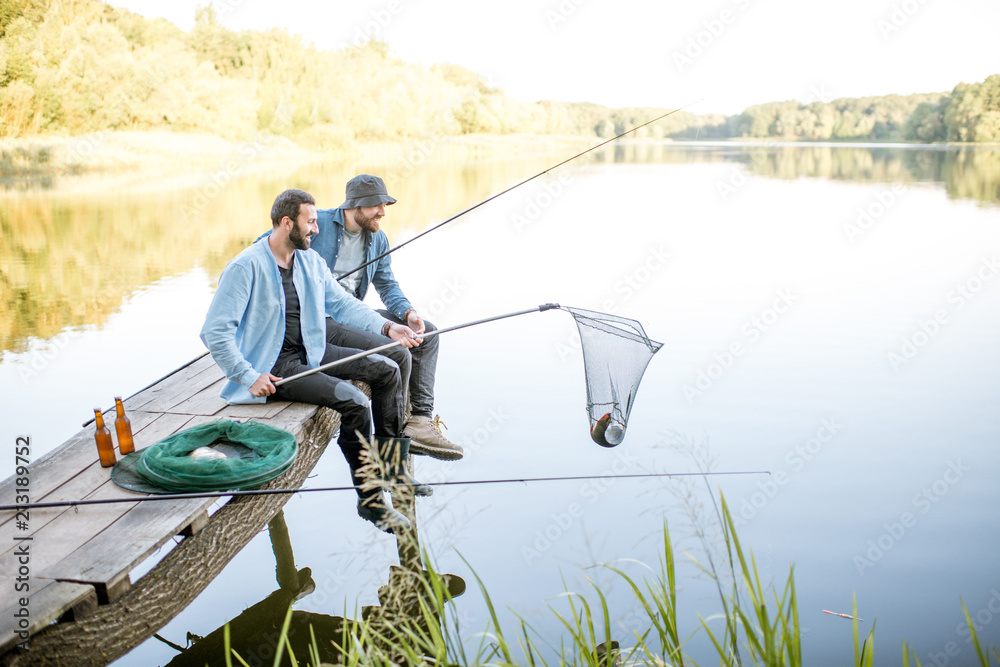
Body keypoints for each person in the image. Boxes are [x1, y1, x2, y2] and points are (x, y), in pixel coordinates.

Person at [201, 188, 429, 533]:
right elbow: (215, 332)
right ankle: (369, 500)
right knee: (354, 402)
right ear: (286, 222)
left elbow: (342, 304)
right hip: (276, 365)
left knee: (388, 368)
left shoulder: (308, 261)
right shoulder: (245, 266)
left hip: (311, 349)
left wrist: (387, 327)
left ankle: (394, 470)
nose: (317, 229)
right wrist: (247, 375)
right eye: (310, 222)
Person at [261, 175, 463, 460]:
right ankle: (395, 438)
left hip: (352, 310)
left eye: (385, 205)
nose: (382, 211)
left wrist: (407, 312)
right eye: (376, 205)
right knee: (396, 353)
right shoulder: (316, 226)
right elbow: (269, 243)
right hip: (323, 319)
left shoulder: (377, 238)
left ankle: (419, 420)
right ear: (355, 205)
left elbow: (386, 283)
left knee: (426, 333)